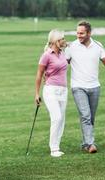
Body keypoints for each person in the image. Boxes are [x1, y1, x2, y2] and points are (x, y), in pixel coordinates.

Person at [65, 20, 105, 153]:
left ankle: (85, 143)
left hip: (94, 87)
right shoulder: (71, 46)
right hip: (78, 86)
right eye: (77, 33)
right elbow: (63, 64)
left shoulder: (98, 46)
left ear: (89, 33)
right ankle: (91, 144)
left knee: (90, 117)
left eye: (82, 33)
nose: (79, 35)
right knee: (85, 115)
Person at [35, 29, 68, 157]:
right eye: (62, 39)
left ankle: (57, 146)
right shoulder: (47, 55)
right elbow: (39, 75)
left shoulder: (63, 53)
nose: (64, 41)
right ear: (56, 41)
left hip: (63, 90)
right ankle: (53, 149)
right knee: (57, 118)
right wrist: (36, 94)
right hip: (51, 90)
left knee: (62, 120)